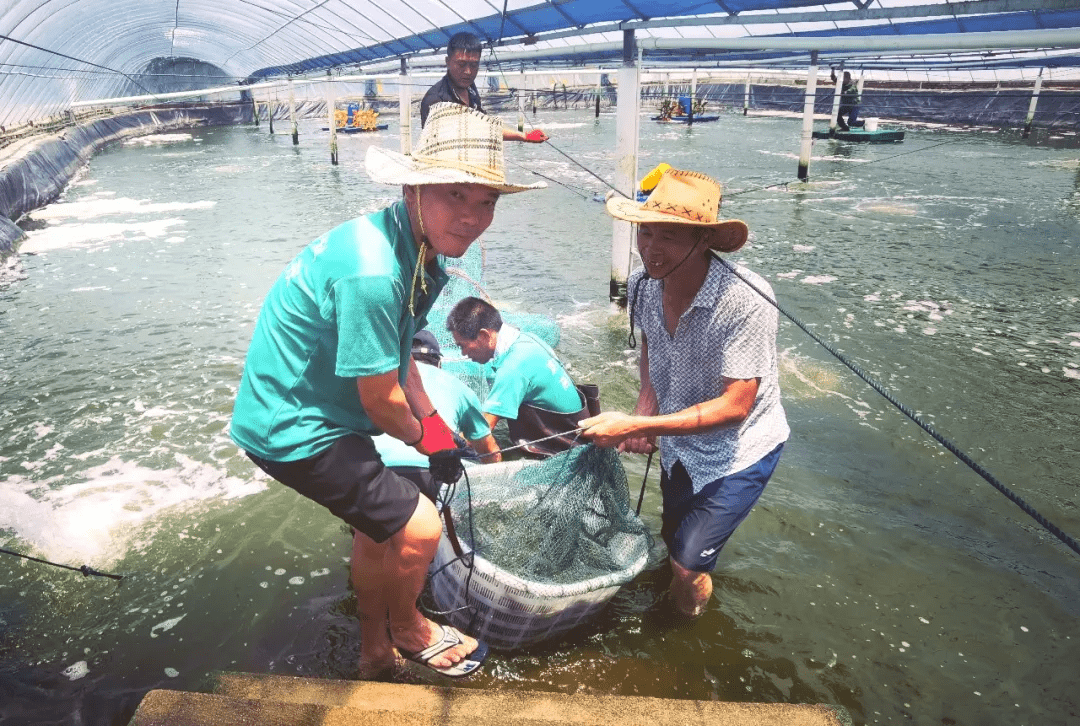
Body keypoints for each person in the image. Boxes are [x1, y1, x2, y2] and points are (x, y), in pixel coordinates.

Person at [229, 102, 543, 679]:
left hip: (328, 415)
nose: (472, 217)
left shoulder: (417, 252)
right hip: (294, 424)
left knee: (380, 532)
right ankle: (410, 626)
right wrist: (435, 443)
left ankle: (374, 650)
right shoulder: (375, 269)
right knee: (419, 525)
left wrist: (437, 429)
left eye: (486, 201)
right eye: (454, 194)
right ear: (413, 187)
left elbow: (403, 361)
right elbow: (380, 398)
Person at [580, 168, 789, 619]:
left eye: (671, 237)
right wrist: (645, 404)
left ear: (704, 241)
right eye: (646, 232)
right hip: (679, 438)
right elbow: (652, 348)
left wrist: (638, 425)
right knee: (672, 534)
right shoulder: (641, 286)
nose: (652, 249)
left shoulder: (746, 299)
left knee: (687, 563)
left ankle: (686, 631)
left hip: (739, 448)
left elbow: (737, 405)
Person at [446, 296, 594, 457]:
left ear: (484, 336)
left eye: (463, 345)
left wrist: (442, 445)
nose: (463, 353)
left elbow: (482, 431)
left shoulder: (512, 368)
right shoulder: (528, 339)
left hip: (567, 450)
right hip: (579, 430)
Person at [371, 330, 501, 468]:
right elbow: (491, 452)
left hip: (375, 469)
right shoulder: (459, 388)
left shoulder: (379, 385)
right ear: (439, 363)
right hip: (433, 470)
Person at [419, 31, 549, 144]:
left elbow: (482, 122)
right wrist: (521, 136)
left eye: (474, 65)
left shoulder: (470, 88)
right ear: (448, 62)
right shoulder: (435, 101)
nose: (468, 71)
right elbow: (469, 134)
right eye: (461, 64)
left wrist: (524, 135)